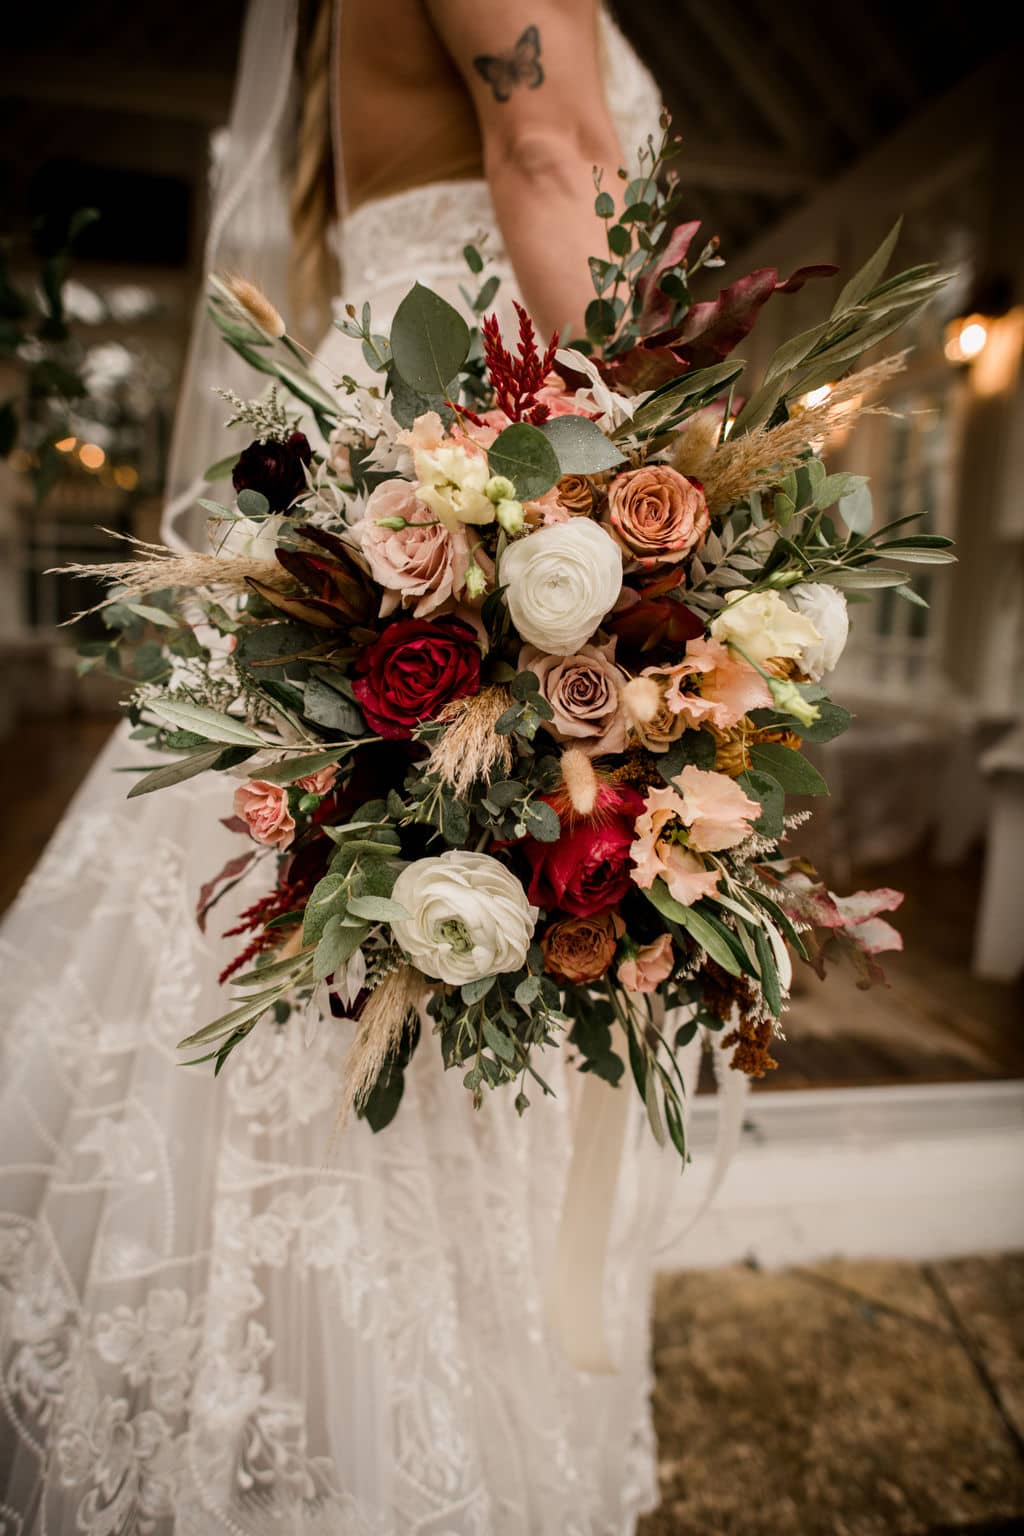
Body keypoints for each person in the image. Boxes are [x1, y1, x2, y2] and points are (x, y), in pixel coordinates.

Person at [0, 3, 680, 1530]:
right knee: (416, 931)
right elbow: (545, 144)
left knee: (395, 932)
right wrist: (667, 475)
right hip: (492, 448)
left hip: (419, 439)